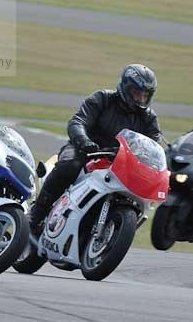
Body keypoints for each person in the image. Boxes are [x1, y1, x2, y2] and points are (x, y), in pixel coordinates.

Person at [28, 63, 162, 233]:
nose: (140, 99)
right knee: (70, 166)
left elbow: (154, 143)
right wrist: (84, 141)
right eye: (137, 92)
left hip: (121, 163)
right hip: (86, 151)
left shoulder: (149, 117)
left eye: (145, 95)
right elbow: (78, 121)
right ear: (125, 88)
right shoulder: (103, 98)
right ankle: (36, 213)